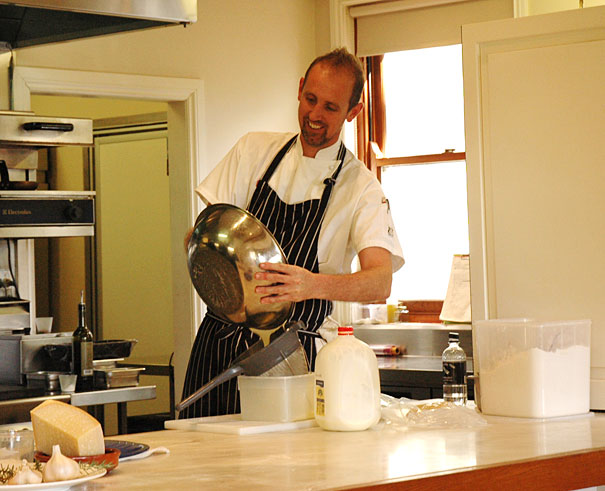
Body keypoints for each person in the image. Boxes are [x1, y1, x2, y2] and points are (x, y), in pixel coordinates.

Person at [179, 48, 404, 418]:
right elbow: (202, 234)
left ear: (353, 112)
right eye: (310, 99)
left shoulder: (361, 188)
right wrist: (203, 253)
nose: (315, 116)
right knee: (203, 466)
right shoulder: (254, 151)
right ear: (300, 89)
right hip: (217, 347)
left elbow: (379, 282)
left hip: (293, 356)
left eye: (330, 108)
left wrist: (311, 285)